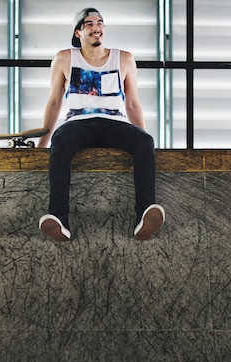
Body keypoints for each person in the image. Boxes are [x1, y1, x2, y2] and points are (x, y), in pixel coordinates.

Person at [37, 7, 165, 242]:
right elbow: (54, 101)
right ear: (78, 32)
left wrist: (145, 141)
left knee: (145, 141)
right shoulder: (65, 58)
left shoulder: (124, 58)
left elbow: (133, 103)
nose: (97, 28)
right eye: (89, 24)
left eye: (100, 23)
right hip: (78, 122)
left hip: (113, 123)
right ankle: (59, 218)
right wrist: (42, 144)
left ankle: (144, 214)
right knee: (61, 139)